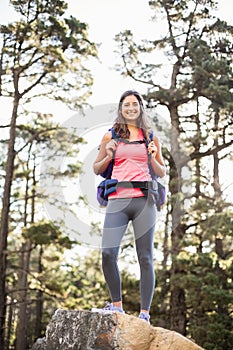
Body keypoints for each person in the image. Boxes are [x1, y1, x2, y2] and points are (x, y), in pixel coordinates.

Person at [92, 90, 166, 323]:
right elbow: (97, 168)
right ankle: (117, 306)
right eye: (127, 104)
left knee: (145, 257)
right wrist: (109, 154)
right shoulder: (110, 136)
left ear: (140, 108)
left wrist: (152, 157)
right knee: (107, 253)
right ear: (121, 108)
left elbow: (162, 171)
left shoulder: (150, 136)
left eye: (135, 104)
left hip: (144, 201)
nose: (131, 108)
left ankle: (144, 314)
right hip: (118, 200)